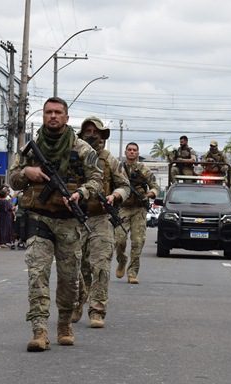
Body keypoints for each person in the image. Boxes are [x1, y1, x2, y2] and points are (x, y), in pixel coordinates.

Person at [8, 96, 102, 352]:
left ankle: (64, 325)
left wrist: (80, 194)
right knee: (37, 274)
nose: (53, 116)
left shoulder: (82, 149)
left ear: (66, 118)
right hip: (39, 218)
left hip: (70, 222)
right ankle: (39, 330)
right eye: (48, 112)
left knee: (69, 279)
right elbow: (12, 180)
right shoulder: (31, 148)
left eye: (58, 112)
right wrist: (26, 173)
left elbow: (96, 181)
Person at [72, 116, 130, 328]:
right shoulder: (74, 157)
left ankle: (97, 310)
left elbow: (125, 186)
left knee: (101, 265)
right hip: (75, 218)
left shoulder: (110, 160)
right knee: (76, 267)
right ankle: (79, 300)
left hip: (101, 218)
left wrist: (114, 196)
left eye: (96, 131)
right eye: (87, 131)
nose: (92, 135)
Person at [115, 142, 159, 284]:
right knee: (119, 240)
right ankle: (121, 260)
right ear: (125, 152)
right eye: (129, 150)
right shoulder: (118, 168)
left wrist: (149, 194)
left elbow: (155, 186)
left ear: (138, 153)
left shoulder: (143, 169)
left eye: (134, 150)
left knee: (138, 242)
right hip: (123, 207)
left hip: (139, 208)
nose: (132, 152)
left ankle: (132, 272)